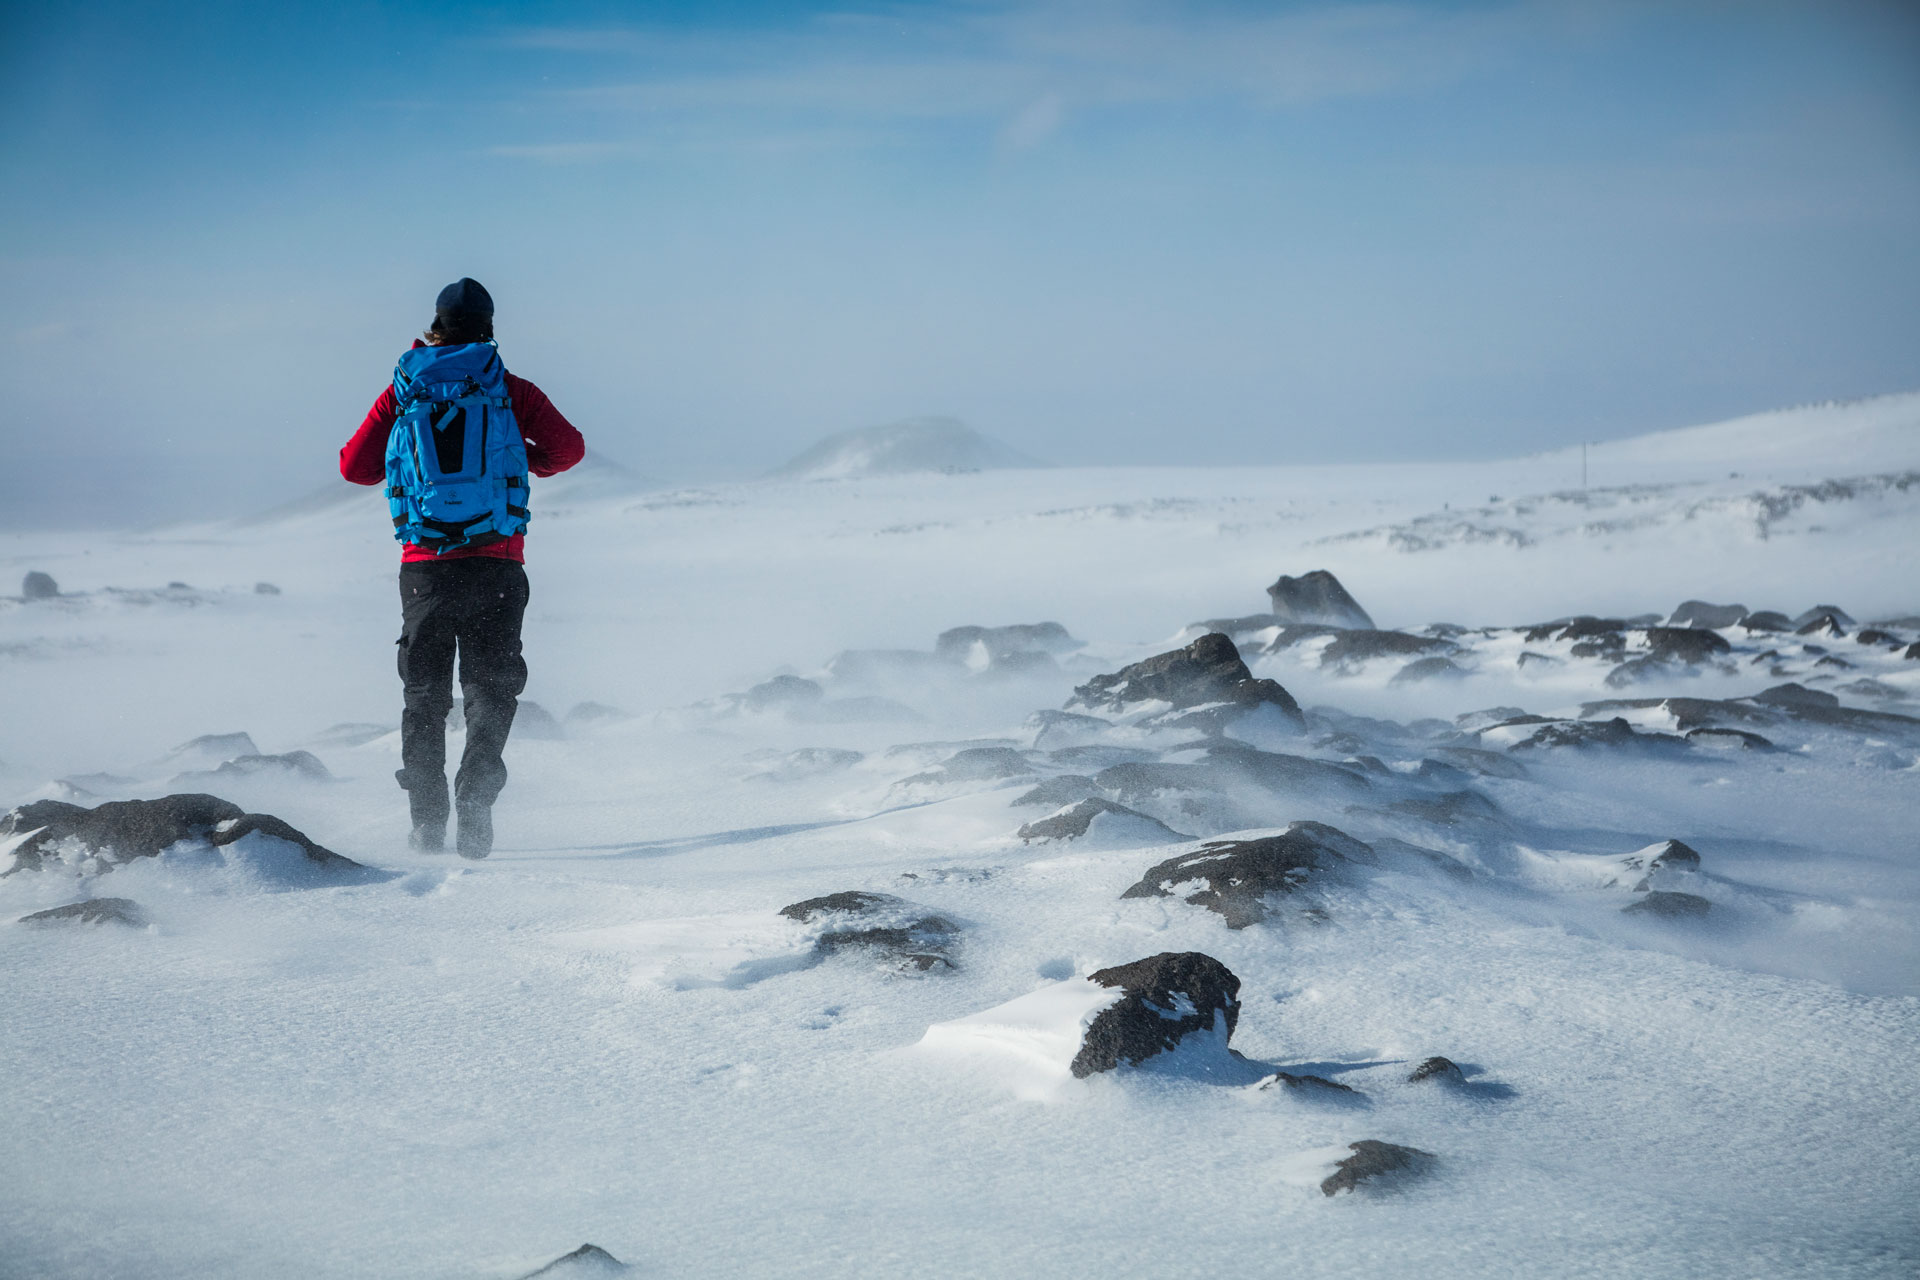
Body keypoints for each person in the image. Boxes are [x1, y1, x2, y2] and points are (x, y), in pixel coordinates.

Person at [338, 278, 585, 857]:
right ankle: (476, 800)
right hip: (497, 564)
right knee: (490, 688)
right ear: (489, 327)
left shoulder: (403, 390)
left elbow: (355, 468)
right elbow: (569, 449)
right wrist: (518, 458)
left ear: (436, 324)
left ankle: (427, 821)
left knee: (424, 693)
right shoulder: (509, 388)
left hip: (425, 568)